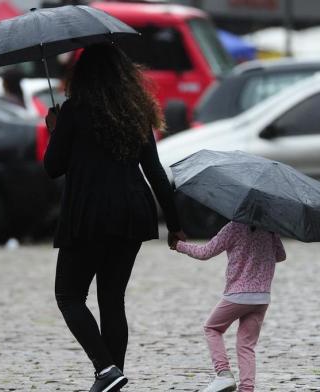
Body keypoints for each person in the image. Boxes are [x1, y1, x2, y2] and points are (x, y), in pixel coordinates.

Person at [43, 43, 185, 392]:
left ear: (83, 75)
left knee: (69, 296)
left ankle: (106, 370)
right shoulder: (135, 114)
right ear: (124, 76)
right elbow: (155, 172)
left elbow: (52, 167)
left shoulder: (74, 111)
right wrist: (176, 222)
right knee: (111, 299)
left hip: (89, 214)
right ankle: (111, 377)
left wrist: (55, 129)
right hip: (132, 214)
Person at [170, 221, 286, 392]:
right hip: (261, 297)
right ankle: (247, 388)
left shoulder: (233, 227)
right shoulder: (270, 229)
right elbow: (281, 256)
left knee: (212, 328)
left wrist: (178, 245)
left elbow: (205, 252)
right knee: (246, 345)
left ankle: (223, 373)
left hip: (238, 294)